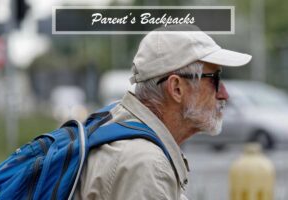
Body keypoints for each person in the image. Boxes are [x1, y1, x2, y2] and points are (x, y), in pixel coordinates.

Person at [75, 25, 252, 200]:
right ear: (176, 88)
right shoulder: (148, 166)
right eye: (215, 79)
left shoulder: (116, 123)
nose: (224, 94)